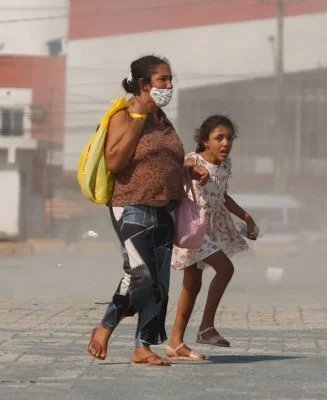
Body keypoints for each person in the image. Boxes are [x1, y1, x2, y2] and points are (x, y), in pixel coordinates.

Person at [86, 55, 209, 366]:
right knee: (140, 276)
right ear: (143, 84)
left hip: (164, 208)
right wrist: (138, 119)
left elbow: (163, 159)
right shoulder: (124, 115)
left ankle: (143, 346)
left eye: (170, 79)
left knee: (159, 283)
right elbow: (115, 161)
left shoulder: (162, 118)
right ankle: (105, 326)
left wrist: (187, 171)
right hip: (131, 206)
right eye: (163, 80)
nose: (170, 85)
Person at [166, 115, 258, 360]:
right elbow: (172, 170)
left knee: (192, 285)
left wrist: (246, 216)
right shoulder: (193, 160)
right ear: (205, 141)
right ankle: (206, 327)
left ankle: (175, 341)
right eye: (219, 138)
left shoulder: (226, 166)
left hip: (212, 228)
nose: (225, 143)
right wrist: (189, 169)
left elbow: (224, 197)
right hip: (193, 229)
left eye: (229, 138)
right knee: (225, 269)